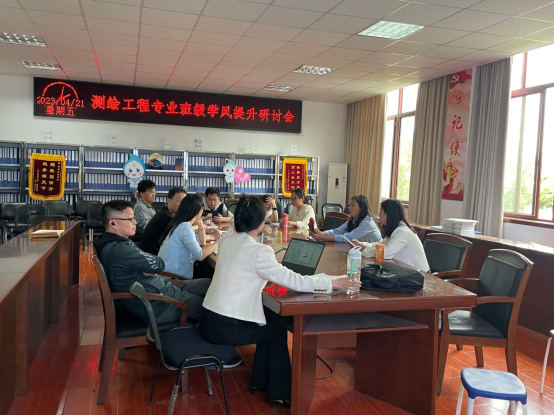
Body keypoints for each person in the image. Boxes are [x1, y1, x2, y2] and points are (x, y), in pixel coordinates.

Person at [201, 196, 360, 407]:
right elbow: (295, 281)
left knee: (269, 323)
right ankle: (280, 392)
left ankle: (261, 381)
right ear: (260, 223)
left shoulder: (227, 240)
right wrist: (334, 283)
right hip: (226, 327)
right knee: (276, 330)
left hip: (208, 319)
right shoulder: (259, 251)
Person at [93, 200, 212, 324]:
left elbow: (152, 265)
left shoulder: (115, 243)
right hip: (158, 304)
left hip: (160, 289)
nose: (135, 222)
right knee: (208, 306)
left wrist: (148, 267)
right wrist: (150, 267)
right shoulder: (120, 250)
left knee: (208, 284)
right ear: (112, 223)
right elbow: (158, 265)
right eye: (130, 219)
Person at [353, 199, 430, 271]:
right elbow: (380, 245)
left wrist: (364, 248)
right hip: (406, 270)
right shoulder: (396, 229)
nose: (379, 213)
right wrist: (361, 244)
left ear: (388, 214)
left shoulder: (402, 231)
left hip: (420, 275)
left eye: (381, 210)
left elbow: (385, 253)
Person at [159, 194, 221, 280]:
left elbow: (202, 243)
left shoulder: (180, 223)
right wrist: (220, 241)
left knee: (205, 275)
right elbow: (200, 255)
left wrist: (200, 225)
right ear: (199, 211)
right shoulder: (185, 227)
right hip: (173, 279)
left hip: (170, 274)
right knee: (208, 281)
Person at [311, 195, 382, 244]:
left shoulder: (367, 222)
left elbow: (348, 238)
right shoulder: (353, 220)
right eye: (349, 205)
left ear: (361, 208)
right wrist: (322, 233)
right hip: (363, 252)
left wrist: (323, 238)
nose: (349, 208)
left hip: (376, 254)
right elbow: (338, 231)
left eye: (353, 205)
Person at [141, 188, 186, 255]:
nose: (182, 205)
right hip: (154, 256)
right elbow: (184, 230)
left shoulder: (167, 212)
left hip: (161, 253)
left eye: (184, 202)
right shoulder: (166, 216)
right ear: (169, 201)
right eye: (178, 201)